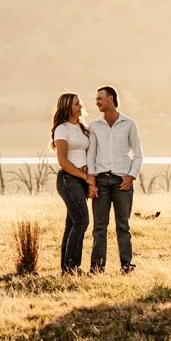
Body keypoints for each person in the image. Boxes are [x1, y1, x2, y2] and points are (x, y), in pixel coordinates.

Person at [86, 85, 143, 274]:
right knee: (99, 227)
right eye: (96, 100)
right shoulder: (94, 126)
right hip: (101, 181)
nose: (97, 102)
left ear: (111, 98)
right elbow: (91, 156)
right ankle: (97, 267)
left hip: (122, 182)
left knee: (123, 226)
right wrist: (91, 182)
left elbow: (138, 154)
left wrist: (131, 176)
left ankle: (127, 266)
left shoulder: (129, 124)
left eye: (100, 99)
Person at [51, 92, 99, 275]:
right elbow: (63, 161)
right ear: (67, 107)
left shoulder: (81, 127)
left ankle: (67, 267)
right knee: (81, 221)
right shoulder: (62, 129)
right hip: (68, 179)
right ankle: (72, 267)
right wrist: (84, 176)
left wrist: (88, 178)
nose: (80, 107)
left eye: (80, 103)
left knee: (72, 223)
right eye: (76, 104)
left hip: (80, 180)